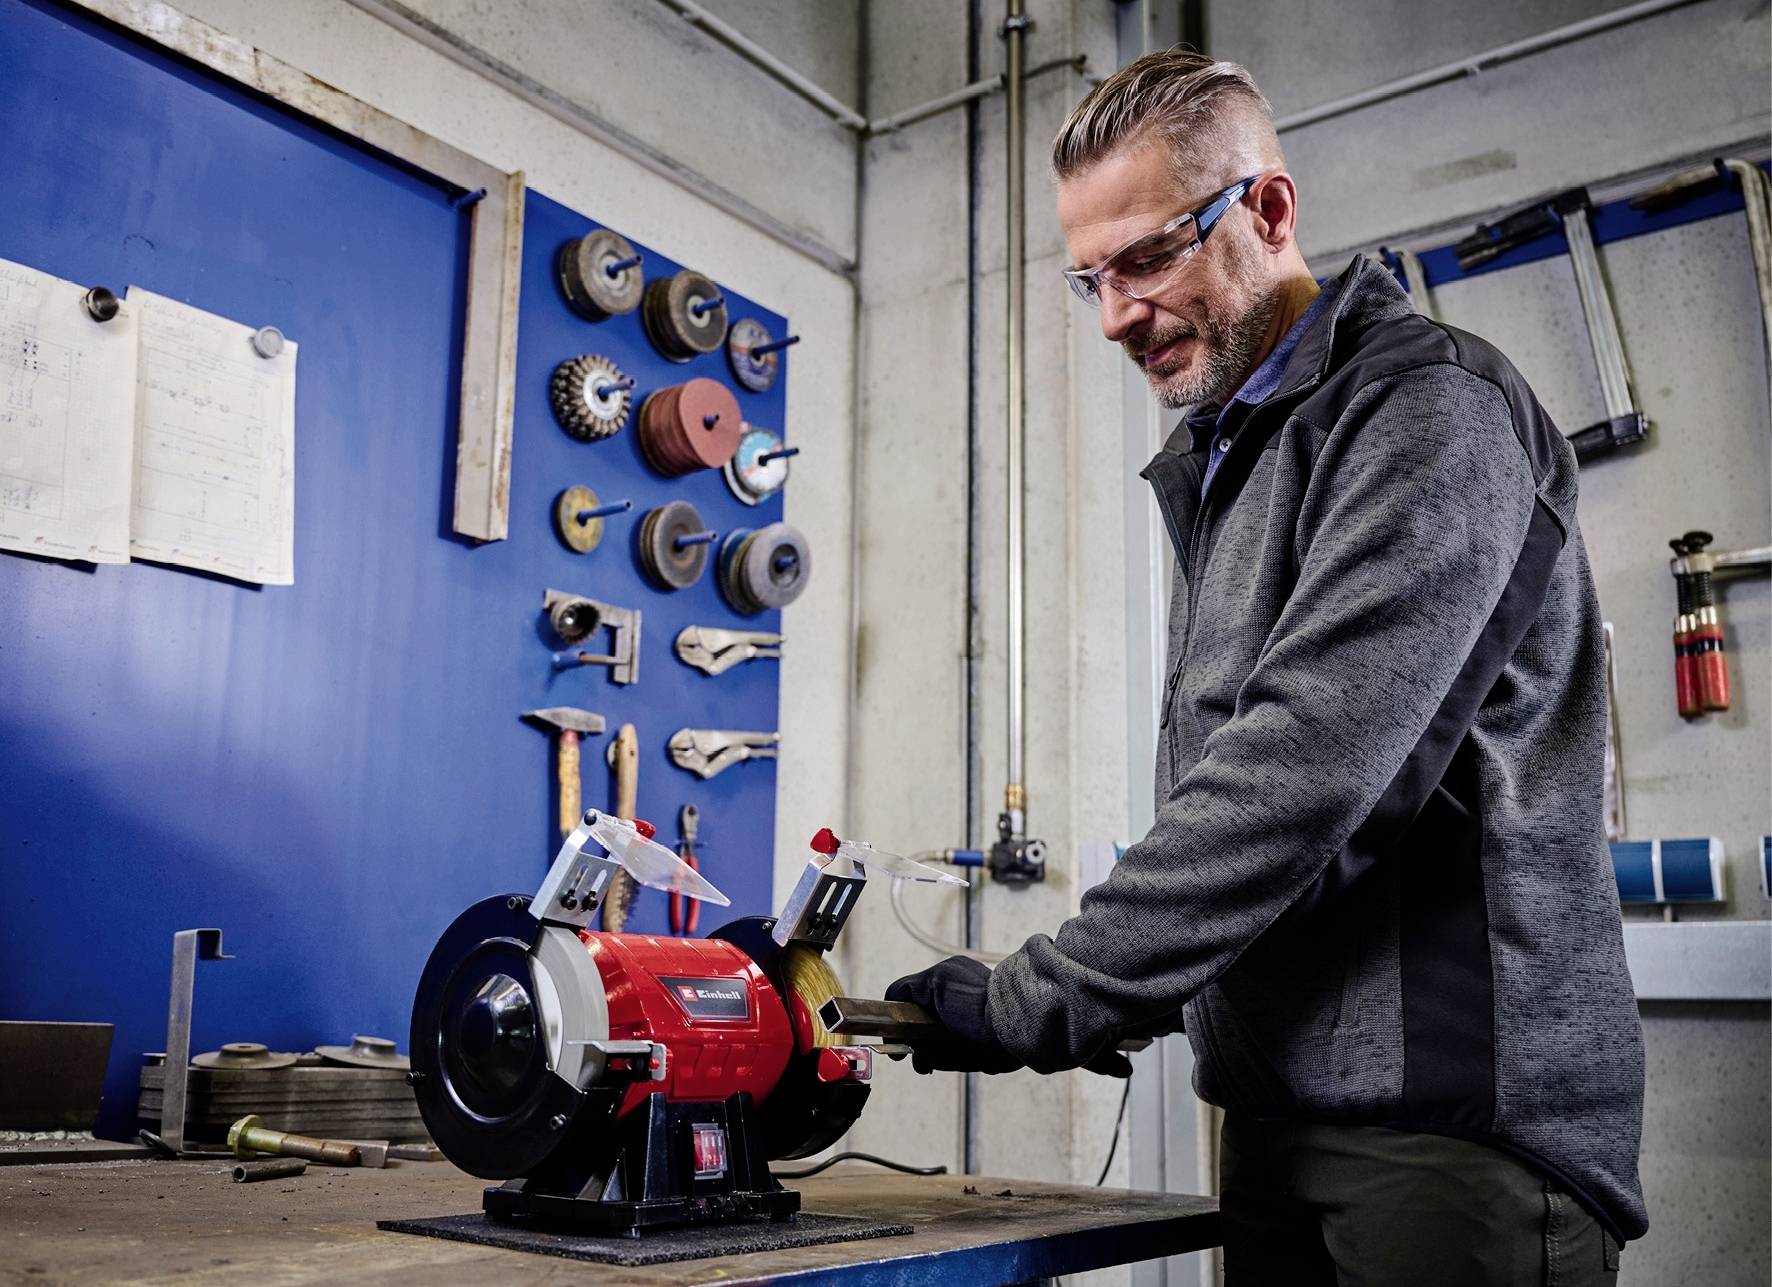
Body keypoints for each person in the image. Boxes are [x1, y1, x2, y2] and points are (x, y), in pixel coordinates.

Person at [886, 49, 1646, 1286]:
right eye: (1089, 278)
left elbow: (1300, 774)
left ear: (1269, 211)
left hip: (1445, 1135)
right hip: (1280, 1114)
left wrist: (1050, 994)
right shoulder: (1236, 453)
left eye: (1145, 257)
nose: (1116, 314)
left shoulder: (1426, 410)